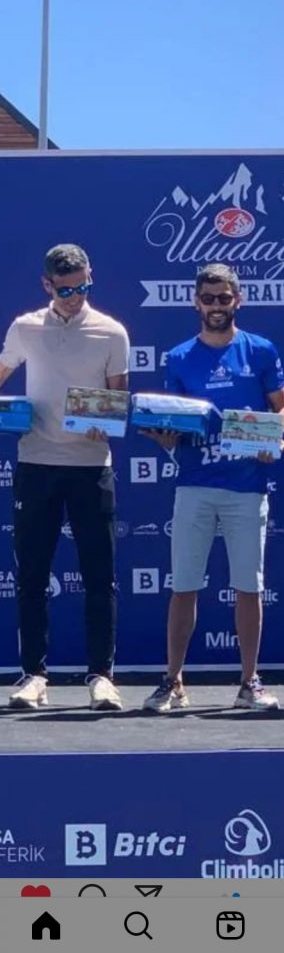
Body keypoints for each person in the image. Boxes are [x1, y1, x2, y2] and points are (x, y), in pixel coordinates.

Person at [142, 263, 284, 713]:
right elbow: (173, 425)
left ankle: (249, 683)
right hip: (195, 484)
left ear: (237, 300)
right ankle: (173, 680)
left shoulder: (260, 350)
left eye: (224, 298)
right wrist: (163, 434)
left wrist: (272, 436)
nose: (216, 306)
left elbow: (283, 410)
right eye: (208, 299)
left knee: (248, 586)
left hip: (247, 485)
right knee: (184, 585)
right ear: (196, 303)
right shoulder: (178, 357)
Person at [0, 244, 129, 711]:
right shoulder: (25, 327)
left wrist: (106, 421)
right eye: (67, 290)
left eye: (83, 287)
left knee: (100, 576)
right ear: (47, 285)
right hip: (37, 464)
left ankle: (102, 677)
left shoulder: (112, 331)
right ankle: (33, 676)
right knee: (33, 575)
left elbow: (119, 402)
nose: (76, 297)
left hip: (91, 468)